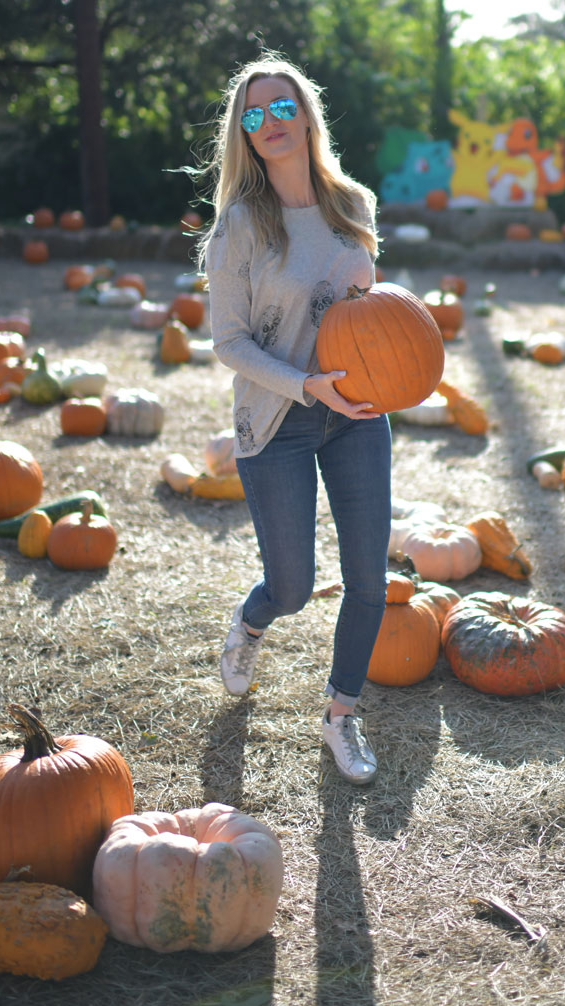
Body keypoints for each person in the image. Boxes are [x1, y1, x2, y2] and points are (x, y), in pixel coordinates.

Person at [198, 53, 391, 784]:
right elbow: (229, 342)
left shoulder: (353, 204)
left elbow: (369, 312)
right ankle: (249, 627)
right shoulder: (241, 226)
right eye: (253, 115)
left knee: (369, 579)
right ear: (243, 136)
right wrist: (308, 384)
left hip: (358, 411)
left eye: (282, 107)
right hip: (277, 416)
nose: (270, 122)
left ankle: (341, 716)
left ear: (307, 115)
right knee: (292, 588)